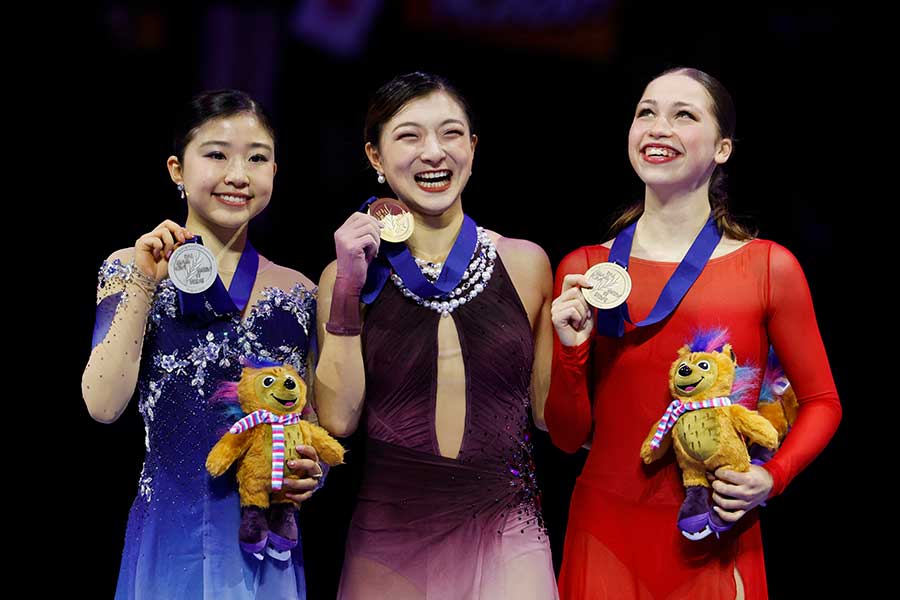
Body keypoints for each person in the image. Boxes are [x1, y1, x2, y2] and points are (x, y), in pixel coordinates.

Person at [545, 67, 842, 599]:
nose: (659, 127)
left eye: (684, 115)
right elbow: (567, 438)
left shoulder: (769, 267)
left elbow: (823, 401)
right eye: (646, 113)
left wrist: (771, 477)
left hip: (717, 535)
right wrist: (570, 352)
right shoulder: (587, 270)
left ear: (722, 148)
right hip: (604, 533)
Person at [314, 71, 559, 599]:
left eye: (450, 134)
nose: (434, 152)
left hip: (508, 530)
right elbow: (337, 419)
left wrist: (578, 344)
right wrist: (347, 290)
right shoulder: (345, 275)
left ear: (472, 148)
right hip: (388, 536)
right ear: (375, 158)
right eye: (409, 136)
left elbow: (549, 417)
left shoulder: (527, 263)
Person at [82, 89, 324, 599]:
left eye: (257, 158)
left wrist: (309, 473)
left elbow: (310, 425)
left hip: (264, 555)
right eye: (216, 155)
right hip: (167, 540)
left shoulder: (301, 292)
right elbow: (103, 404)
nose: (239, 174)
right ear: (177, 169)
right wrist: (146, 280)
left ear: (275, 173)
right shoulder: (130, 268)